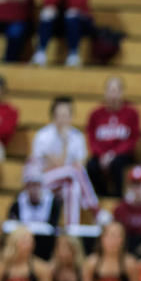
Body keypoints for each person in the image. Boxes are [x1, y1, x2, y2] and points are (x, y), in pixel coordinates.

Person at [31, 96, 100, 226]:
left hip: (65, 183)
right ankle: (95, 209)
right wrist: (64, 143)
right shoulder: (43, 136)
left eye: (66, 115)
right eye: (59, 115)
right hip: (43, 182)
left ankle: (71, 229)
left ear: (71, 117)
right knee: (72, 171)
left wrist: (69, 166)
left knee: (73, 188)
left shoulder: (77, 137)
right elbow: (50, 166)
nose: (62, 119)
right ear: (53, 116)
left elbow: (82, 165)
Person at [86, 76, 139, 198]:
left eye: (116, 91)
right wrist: (101, 155)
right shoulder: (95, 114)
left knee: (117, 164)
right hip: (101, 155)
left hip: (122, 155)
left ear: (122, 92)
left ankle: (118, 198)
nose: (113, 95)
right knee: (91, 166)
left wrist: (113, 154)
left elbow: (132, 140)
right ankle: (101, 196)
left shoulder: (132, 113)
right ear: (105, 92)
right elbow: (92, 140)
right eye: (110, 91)